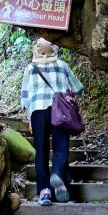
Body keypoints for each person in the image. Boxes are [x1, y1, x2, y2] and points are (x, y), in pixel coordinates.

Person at [21, 38, 84, 206]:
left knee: (41, 151)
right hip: (60, 112)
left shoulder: (30, 68)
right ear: (54, 50)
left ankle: (44, 192)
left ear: (36, 50)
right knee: (61, 148)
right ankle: (57, 173)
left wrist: (28, 116)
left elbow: (25, 96)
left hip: (37, 112)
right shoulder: (63, 65)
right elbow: (78, 88)